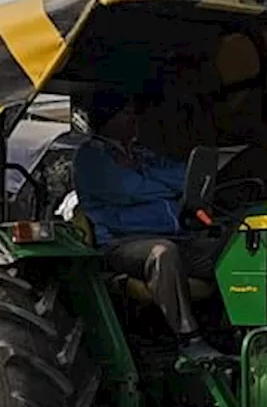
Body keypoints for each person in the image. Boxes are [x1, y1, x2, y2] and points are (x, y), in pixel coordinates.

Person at [72, 92, 223, 360]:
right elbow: (127, 189)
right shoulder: (90, 157)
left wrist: (159, 183)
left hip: (175, 235)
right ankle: (189, 340)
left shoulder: (142, 155)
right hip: (121, 244)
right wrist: (166, 188)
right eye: (127, 113)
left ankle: (229, 330)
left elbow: (185, 178)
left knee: (228, 248)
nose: (135, 119)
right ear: (108, 119)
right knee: (162, 254)